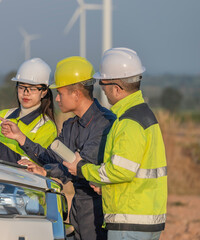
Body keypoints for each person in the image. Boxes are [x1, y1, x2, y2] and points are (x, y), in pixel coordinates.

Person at [0, 56, 115, 240]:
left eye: (60, 93)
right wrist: (20, 137)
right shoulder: (71, 126)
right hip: (79, 205)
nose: (57, 99)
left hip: (100, 207)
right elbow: (52, 158)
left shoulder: (104, 124)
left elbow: (78, 165)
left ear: (76, 94)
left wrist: (45, 172)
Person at [63, 48, 168, 240]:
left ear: (117, 88)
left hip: (129, 222)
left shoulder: (128, 122)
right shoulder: (145, 115)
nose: (102, 91)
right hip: (146, 219)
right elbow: (134, 172)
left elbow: (120, 171)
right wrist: (106, 188)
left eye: (103, 85)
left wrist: (82, 169)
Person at [0, 58, 57, 163]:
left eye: (32, 89)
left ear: (44, 92)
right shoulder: (2, 115)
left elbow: (30, 165)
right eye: (22, 87)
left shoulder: (47, 127)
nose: (26, 93)